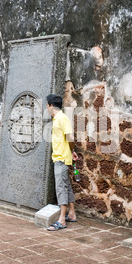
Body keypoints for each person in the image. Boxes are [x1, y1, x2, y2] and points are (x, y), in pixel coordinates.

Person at [45, 94, 79, 231]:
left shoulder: (61, 118)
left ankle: (62, 220)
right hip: (62, 157)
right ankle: (72, 214)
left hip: (61, 158)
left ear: (51, 105)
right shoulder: (58, 118)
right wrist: (71, 152)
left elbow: (70, 137)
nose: (46, 108)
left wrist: (71, 151)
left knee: (61, 188)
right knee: (66, 186)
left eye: (47, 105)